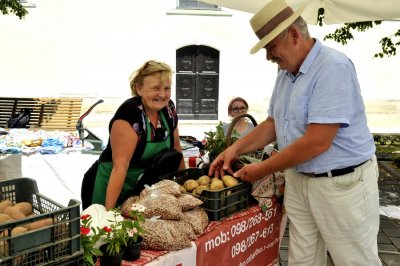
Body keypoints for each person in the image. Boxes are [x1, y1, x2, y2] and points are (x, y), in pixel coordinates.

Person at [209, 0, 381, 265]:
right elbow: (273, 123)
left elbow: (316, 142)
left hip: (342, 185)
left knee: (355, 260)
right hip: (301, 180)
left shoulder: (333, 67)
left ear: (293, 35)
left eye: (270, 47)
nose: (268, 56)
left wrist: (263, 169)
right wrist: (235, 148)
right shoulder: (286, 71)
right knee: (302, 260)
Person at [92, 60, 186, 210]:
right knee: (109, 227)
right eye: (156, 88)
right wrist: (108, 212)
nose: (162, 94)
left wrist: (184, 185)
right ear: (139, 88)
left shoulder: (168, 110)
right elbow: (120, 166)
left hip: (144, 185)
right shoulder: (130, 114)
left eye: (166, 88)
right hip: (115, 185)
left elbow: (176, 146)